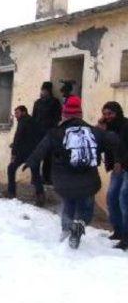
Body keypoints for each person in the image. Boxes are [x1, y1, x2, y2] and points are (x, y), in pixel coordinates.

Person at [24, 96, 121, 249]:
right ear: (80, 114)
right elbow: (115, 141)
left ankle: (66, 231)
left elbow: (40, 150)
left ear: (64, 115)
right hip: (88, 181)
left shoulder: (55, 133)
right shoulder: (94, 131)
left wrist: (29, 162)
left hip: (64, 181)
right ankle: (79, 224)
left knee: (68, 203)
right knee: (86, 208)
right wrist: (104, 130)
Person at [97, 101, 128, 249]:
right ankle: (119, 231)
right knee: (111, 196)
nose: (107, 117)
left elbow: (121, 145)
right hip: (118, 168)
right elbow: (101, 144)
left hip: (125, 165)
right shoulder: (107, 127)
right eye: (105, 114)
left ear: (117, 113)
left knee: (124, 197)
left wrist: (120, 162)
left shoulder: (125, 125)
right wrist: (100, 129)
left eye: (110, 114)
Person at [7, 105, 45, 206]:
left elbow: (18, 137)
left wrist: (14, 153)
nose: (16, 116)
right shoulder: (34, 121)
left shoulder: (23, 121)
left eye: (17, 113)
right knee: (36, 174)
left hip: (22, 153)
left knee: (11, 168)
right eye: (15, 114)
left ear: (24, 112)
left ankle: (11, 193)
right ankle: (40, 196)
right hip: (34, 153)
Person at [32, 81, 62, 185]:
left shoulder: (55, 102)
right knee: (36, 155)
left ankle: (47, 178)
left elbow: (58, 117)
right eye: (42, 90)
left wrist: (52, 128)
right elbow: (34, 117)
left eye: (45, 90)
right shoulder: (37, 103)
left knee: (48, 156)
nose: (43, 92)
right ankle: (35, 178)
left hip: (49, 132)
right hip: (37, 133)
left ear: (49, 91)